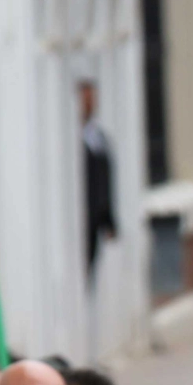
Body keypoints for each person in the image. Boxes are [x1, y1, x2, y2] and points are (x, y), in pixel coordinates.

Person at [81, 80, 118, 274]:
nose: (89, 103)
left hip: (95, 217)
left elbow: (105, 180)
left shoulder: (98, 136)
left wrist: (108, 219)